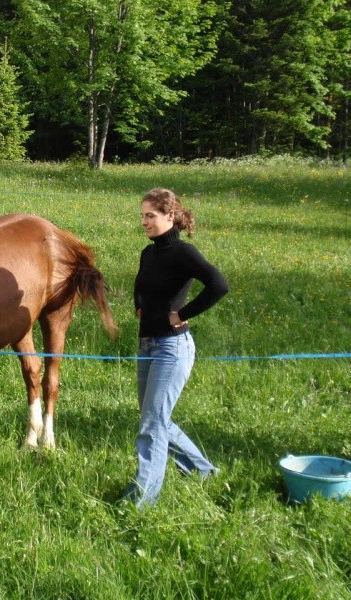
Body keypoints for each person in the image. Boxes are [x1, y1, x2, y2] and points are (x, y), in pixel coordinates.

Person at [121, 187, 229, 508]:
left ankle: (141, 501)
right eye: (142, 216)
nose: (144, 222)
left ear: (170, 216)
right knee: (156, 419)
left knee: (152, 425)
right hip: (148, 344)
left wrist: (182, 314)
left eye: (150, 216)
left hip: (173, 348)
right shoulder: (148, 253)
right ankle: (203, 471)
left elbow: (219, 285)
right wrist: (139, 305)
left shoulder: (184, 253)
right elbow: (141, 286)